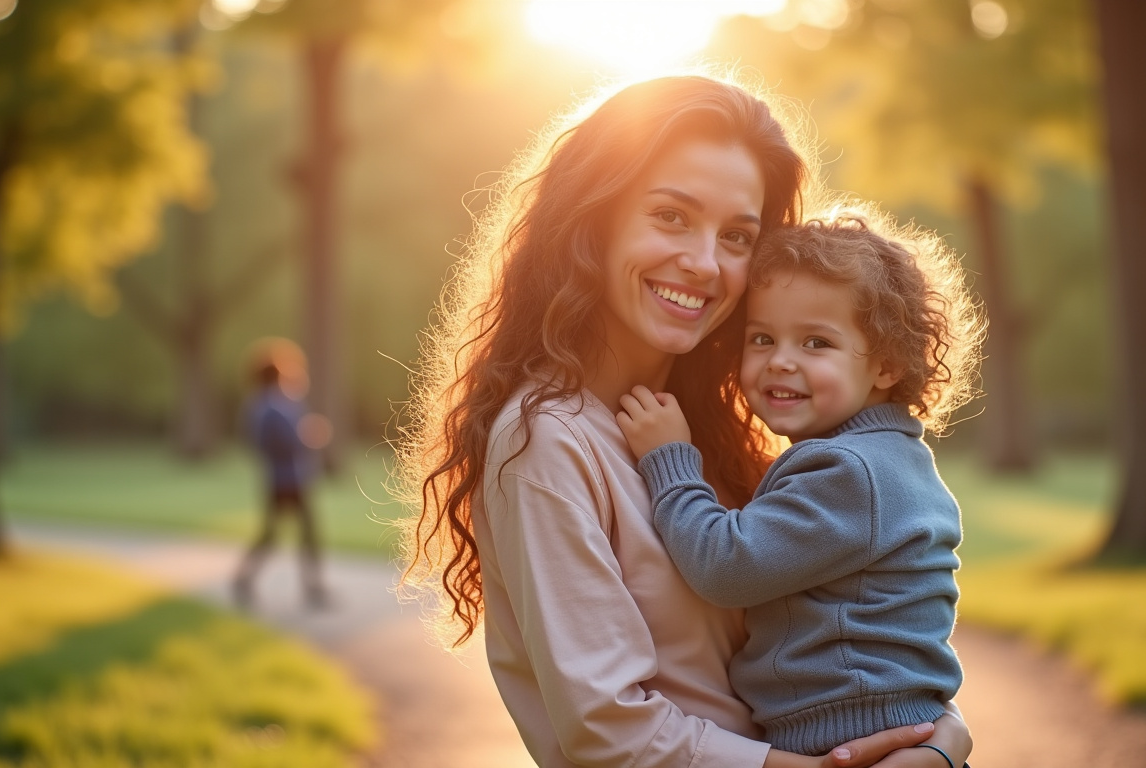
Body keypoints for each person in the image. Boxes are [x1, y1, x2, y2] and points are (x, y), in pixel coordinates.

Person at [396, 74, 973, 768]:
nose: (704, 264)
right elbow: (611, 733)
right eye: (671, 216)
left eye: (736, 235)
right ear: (595, 219)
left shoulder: (715, 428)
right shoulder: (546, 442)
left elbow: (849, 633)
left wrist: (939, 736)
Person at [615, 212, 982, 759]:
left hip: (848, 732)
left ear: (885, 365)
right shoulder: (894, 457)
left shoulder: (848, 472)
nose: (780, 361)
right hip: (878, 725)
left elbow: (726, 567)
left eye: (816, 343)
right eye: (762, 338)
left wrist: (670, 460)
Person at [234, 338, 329, 610]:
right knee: (305, 533)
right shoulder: (276, 404)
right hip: (290, 478)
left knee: (274, 534)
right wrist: (311, 435)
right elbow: (291, 438)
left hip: (277, 478)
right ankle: (313, 588)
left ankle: (245, 578)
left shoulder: (258, 403)